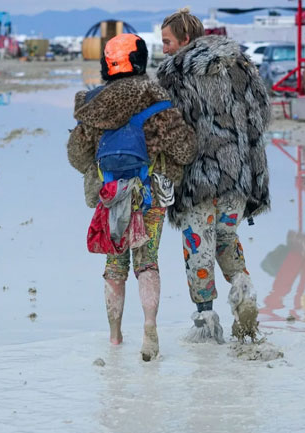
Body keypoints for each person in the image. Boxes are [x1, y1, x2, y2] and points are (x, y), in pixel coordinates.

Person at [67, 33, 196, 361]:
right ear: (139, 61)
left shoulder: (93, 103)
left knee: (114, 264)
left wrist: (101, 175)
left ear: (106, 64)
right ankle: (150, 328)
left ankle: (114, 337)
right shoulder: (156, 98)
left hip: (109, 195)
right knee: (147, 261)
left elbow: (77, 154)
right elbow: (185, 147)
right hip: (150, 194)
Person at [156, 9, 271, 342]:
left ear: (185, 40)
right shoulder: (242, 66)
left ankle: (206, 320)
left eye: (167, 41)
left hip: (197, 179)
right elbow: (261, 116)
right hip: (238, 175)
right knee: (226, 239)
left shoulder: (174, 73)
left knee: (198, 247)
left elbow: (168, 131)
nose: (163, 48)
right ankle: (243, 289)